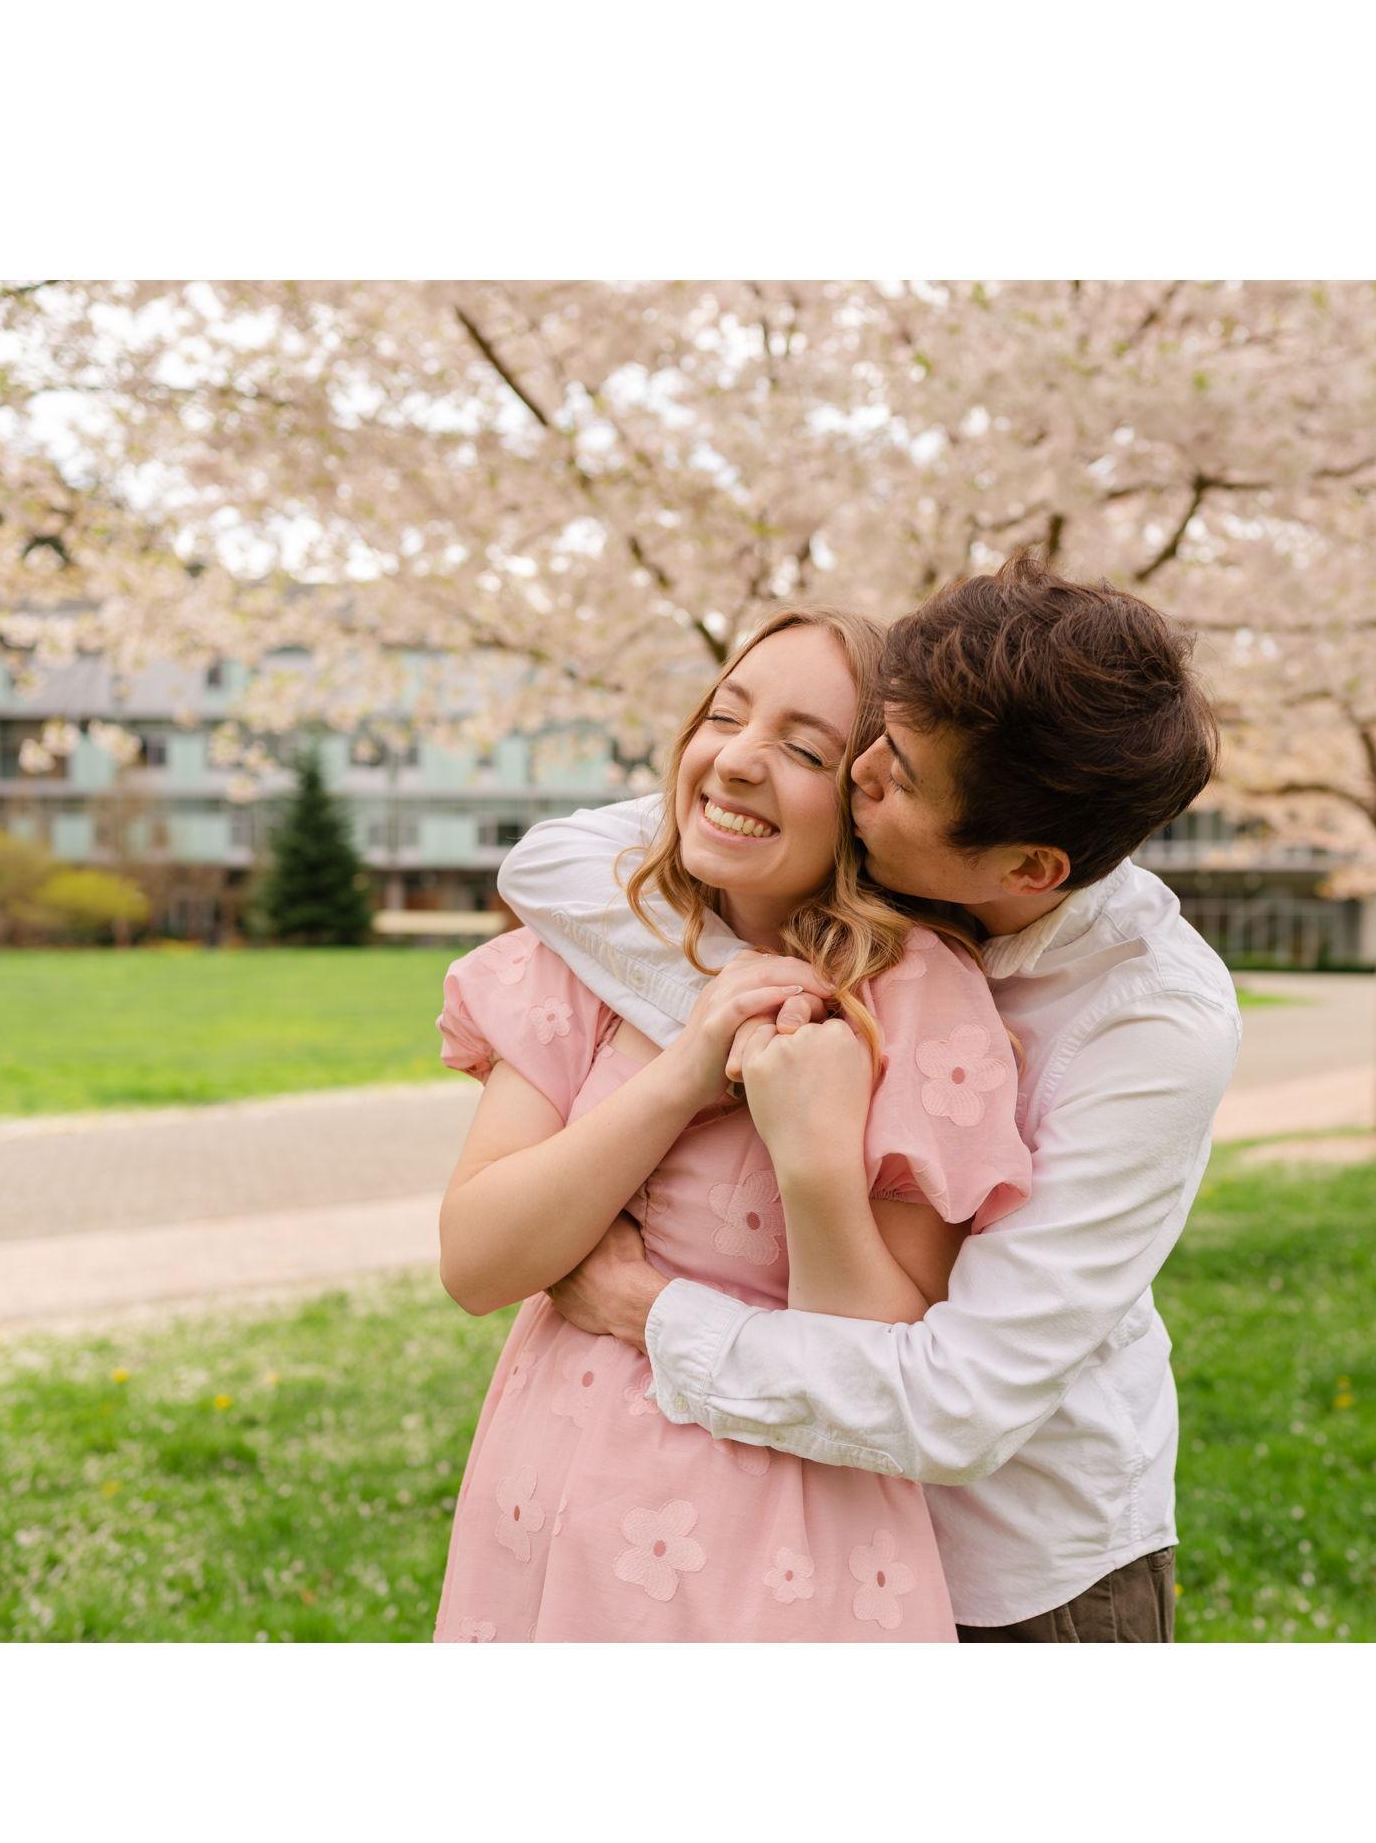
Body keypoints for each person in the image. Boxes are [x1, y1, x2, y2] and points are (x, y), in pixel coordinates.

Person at [499, 551, 1241, 1643]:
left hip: (1009, 1574)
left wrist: (646, 1311)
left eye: (898, 778)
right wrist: (766, 1014)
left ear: (1028, 870)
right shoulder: (886, 842)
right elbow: (553, 860)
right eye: (874, 739)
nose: (859, 775)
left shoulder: (1152, 1025)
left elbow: (958, 1406)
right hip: (768, 1537)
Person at [431, 605, 1031, 1641]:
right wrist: (682, 1072)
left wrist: (814, 1163)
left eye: (804, 749)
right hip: (543, 1512)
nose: (738, 760)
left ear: (869, 800)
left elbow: (881, 1373)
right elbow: (477, 1265)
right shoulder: (589, 951)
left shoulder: (918, 1006)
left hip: (782, 1552)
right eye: (724, 715)